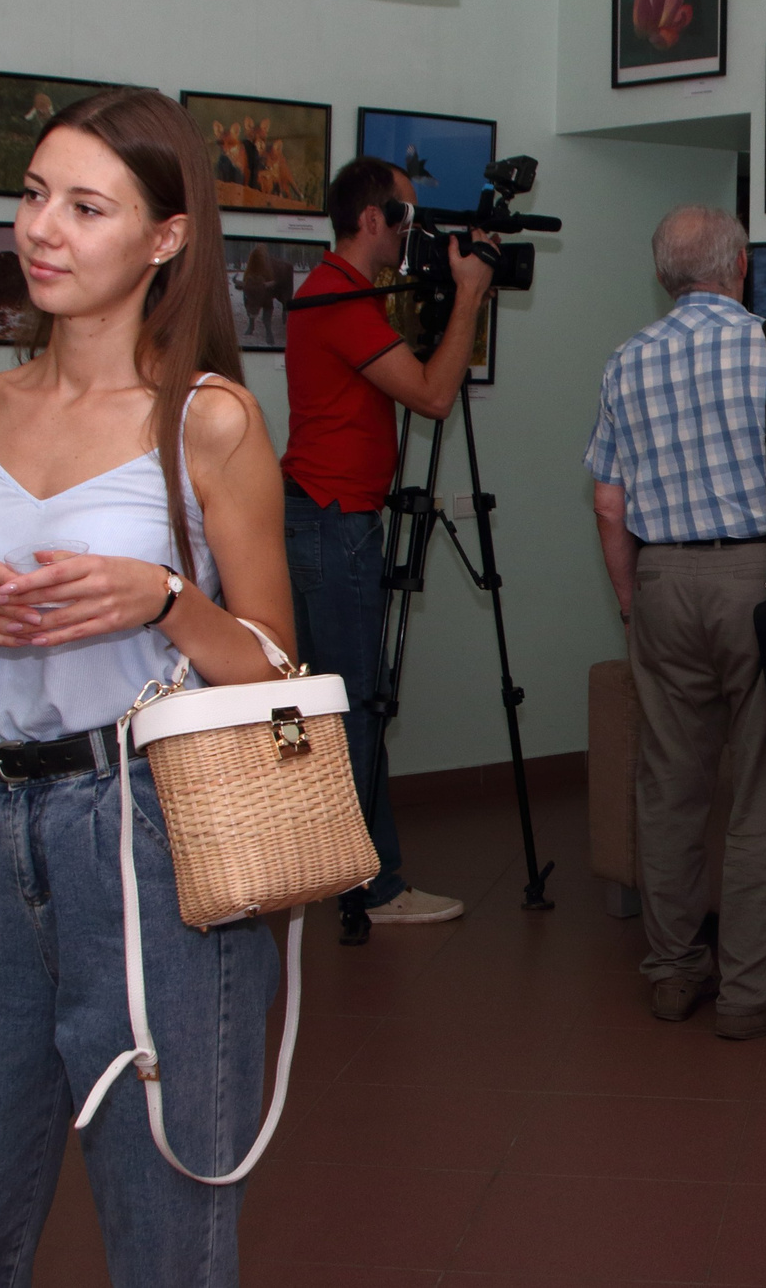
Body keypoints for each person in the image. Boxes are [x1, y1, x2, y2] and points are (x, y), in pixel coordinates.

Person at [0, 88, 296, 1287]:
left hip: (152, 839)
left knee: (166, 1233)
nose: (42, 229)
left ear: (166, 237)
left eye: (85, 205)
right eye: (31, 197)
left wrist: (163, 599)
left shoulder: (209, 420)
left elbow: (282, 676)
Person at [586, 204, 766, 1038]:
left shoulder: (627, 358)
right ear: (738, 266)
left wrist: (633, 594)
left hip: (663, 580)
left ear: (667, 275)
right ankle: (747, 992)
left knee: (667, 785)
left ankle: (670, 972)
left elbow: (607, 499)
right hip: (762, 584)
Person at [280, 154, 493, 941]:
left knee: (314, 706)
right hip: (334, 522)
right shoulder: (338, 297)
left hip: (319, 515)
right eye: (404, 218)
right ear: (372, 220)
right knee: (354, 707)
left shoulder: (336, 291)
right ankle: (375, 885)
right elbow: (435, 396)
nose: (411, 234)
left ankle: (314, 861)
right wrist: (469, 295)